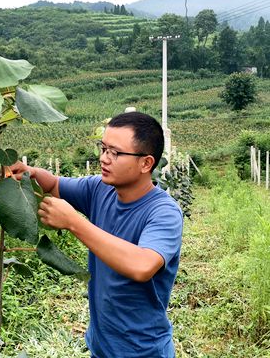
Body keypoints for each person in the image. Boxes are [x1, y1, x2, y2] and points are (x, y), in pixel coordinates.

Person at [10, 111, 183, 358]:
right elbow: (54, 184)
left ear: (146, 163)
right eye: (103, 149)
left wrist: (73, 223)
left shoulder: (163, 212)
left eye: (115, 153)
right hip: (101, 348)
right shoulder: (99, 189)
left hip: (143, 351)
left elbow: (143, 265)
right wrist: (31, 172)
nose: (104, 159)